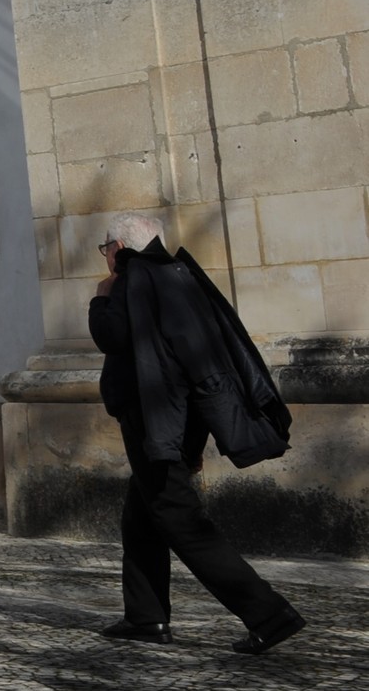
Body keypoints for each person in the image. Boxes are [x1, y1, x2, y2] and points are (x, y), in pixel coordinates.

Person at [91, 213, 304, 654]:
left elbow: (112, 336)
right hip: (179, 418)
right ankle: (146, 617)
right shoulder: (177, 273)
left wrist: (100, 298)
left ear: (119, 247)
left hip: (154, 421)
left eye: (105, 248)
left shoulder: (134, 278)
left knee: (180, 519)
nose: (106, 256)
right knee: (141, 516)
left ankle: (268, 613)